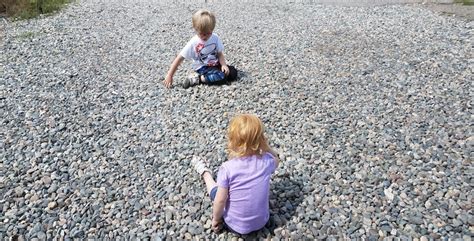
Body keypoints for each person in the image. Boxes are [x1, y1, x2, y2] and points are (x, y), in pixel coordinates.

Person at [191, 114, 280, 234]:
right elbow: (277, 159)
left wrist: (216, 219)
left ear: (232, 141)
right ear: (261, 141)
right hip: (262, 222)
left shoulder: (227, 168)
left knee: (217, 192)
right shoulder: (266, 162)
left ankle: (205, 173)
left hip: (235, 226)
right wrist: (267, 147)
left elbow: (220, 201)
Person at [164, 9, 237, 89]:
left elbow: (219, 53)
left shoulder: (215, 38)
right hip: (203, 67)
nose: (205, 36)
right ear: (196, 29)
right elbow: (179, 58)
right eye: (202, 34)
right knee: (222, 77)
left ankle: (212, 76)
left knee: (232, 72)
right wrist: (170, 75)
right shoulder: (193, 43)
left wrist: (223, 65)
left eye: (208, 33)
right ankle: (197, 79)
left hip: (215, 64)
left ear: (212, 29)